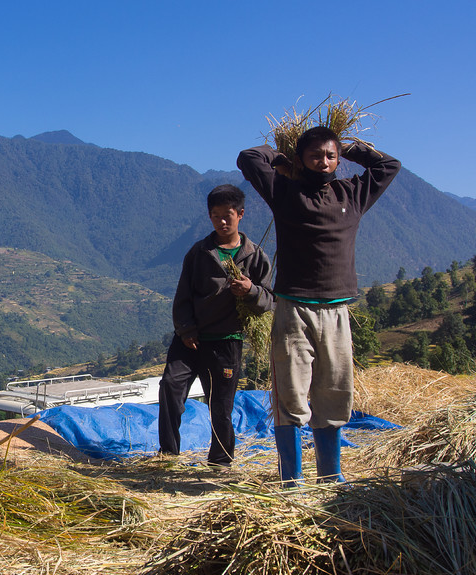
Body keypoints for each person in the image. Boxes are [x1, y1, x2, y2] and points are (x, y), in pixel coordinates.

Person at [237, 126, 401, 486]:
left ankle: (331, 476)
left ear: (338, 159)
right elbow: (248, 158)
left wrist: (355, 148)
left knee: (334, 394)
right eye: (315, 156)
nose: (324, 162)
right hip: (293, 309)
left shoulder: (352, 193)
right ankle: (291, 482)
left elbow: (389, 165)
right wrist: (278, 155)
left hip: (337, 311)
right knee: (291, 396)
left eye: (330, 155)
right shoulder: (285, 192)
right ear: (301, 161)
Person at [158, 184, 274, 465]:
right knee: (170, 388)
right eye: (215, 216)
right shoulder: (199, 253)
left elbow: (270, 300)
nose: (222, 221)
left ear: (241, 214)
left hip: (227, 341)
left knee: (220, 407)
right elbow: (183, 297)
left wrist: (250, 291)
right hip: (190, 339)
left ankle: (220, 462)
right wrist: (185, 330)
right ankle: (167, 455)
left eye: (228, 215)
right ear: (209, 217)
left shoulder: (254, 256)